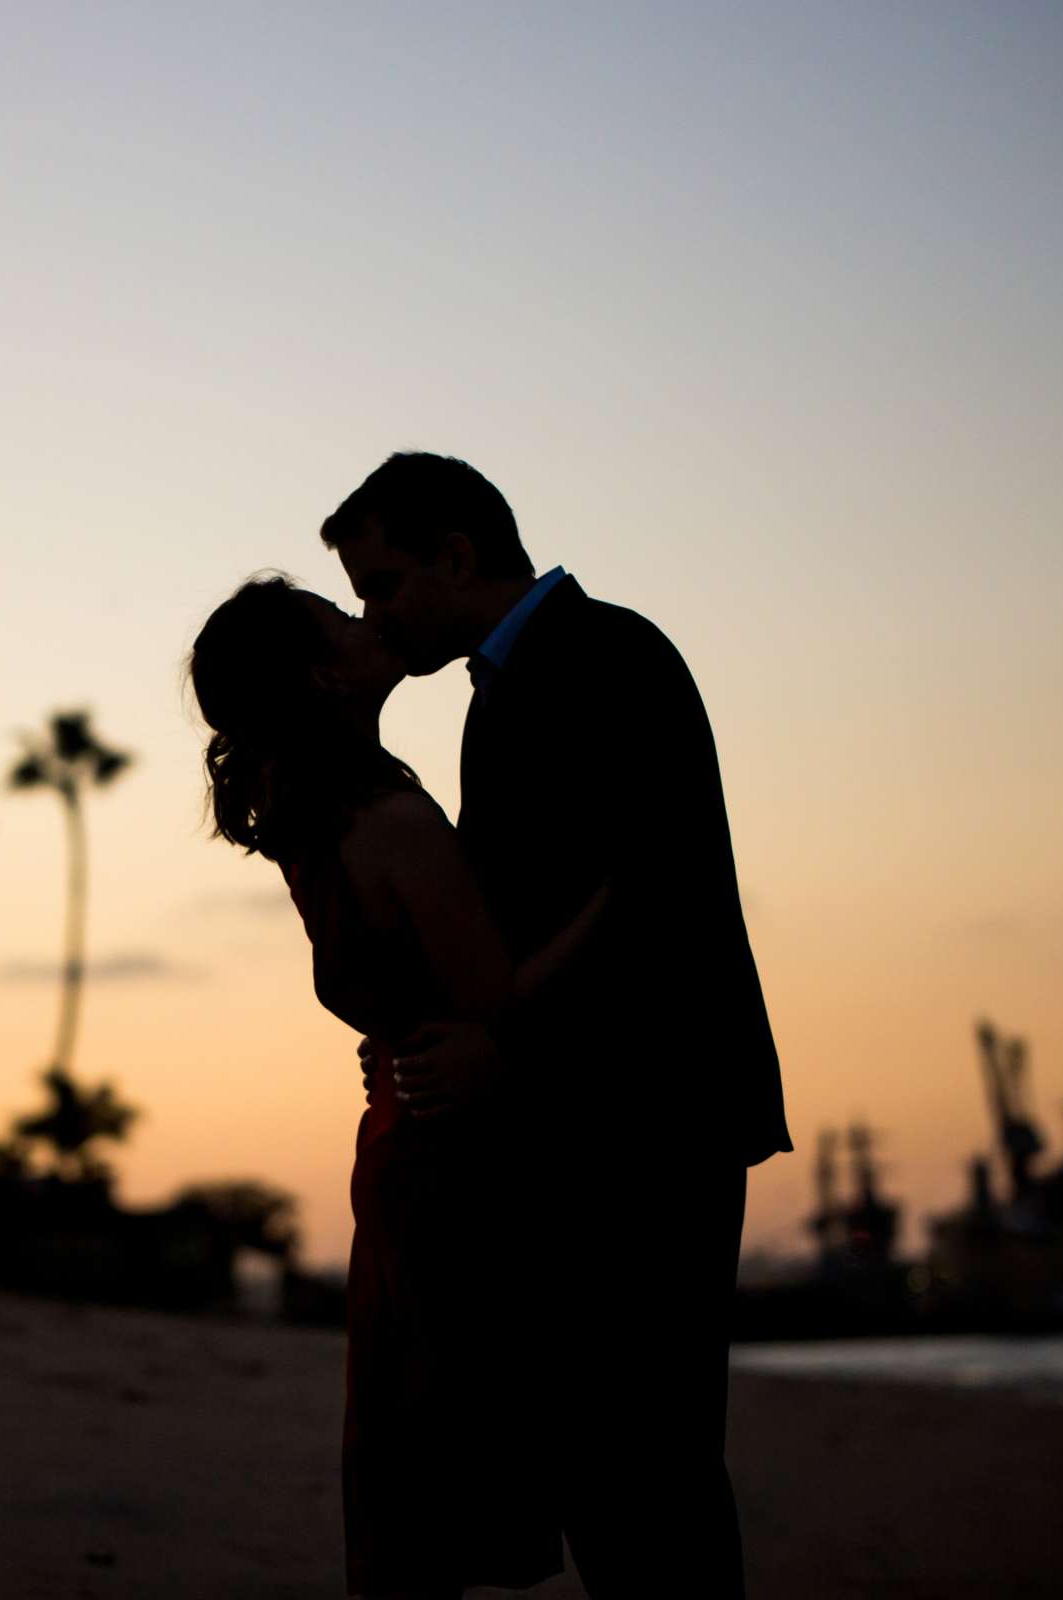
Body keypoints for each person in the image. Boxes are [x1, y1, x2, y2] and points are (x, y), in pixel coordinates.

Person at [322, 451, 792, 1598]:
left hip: (651, 1120)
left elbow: (653, 891)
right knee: (611, 1462)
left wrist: (503, 1047)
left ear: (459, 556)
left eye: (382, 585)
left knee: (647, 1465)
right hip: (592, 1122)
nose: (370, 615)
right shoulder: (516, 684)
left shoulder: (603, 655)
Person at [190, 575, 613, 1598]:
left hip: (402, 1144)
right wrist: (616, 900)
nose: (367, 617)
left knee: (410, 1472)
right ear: (323, 675)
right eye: (340, 619)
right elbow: (491, 994)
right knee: (442, 1472)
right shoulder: (384, 814)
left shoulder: (312, 809)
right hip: (449, 1164)